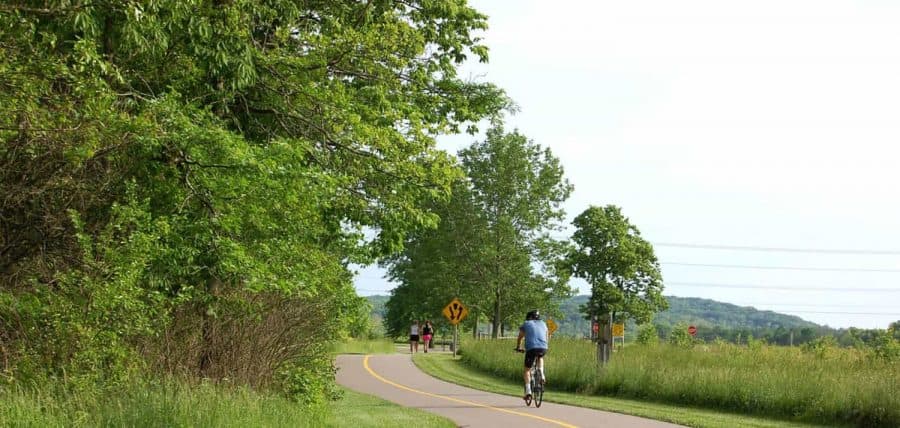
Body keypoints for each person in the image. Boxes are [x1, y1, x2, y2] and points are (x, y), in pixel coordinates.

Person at [515, 310, 548, 402]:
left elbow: (520, 337)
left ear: (529, 317)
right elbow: (547, 337)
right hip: (543, 347)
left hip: (531, 348)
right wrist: (544, 346)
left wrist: (518, 347)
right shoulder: (543, 323)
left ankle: (528, 392)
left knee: (527, 370)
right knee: (540, 357)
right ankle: (542, 374)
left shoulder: (526, 323)